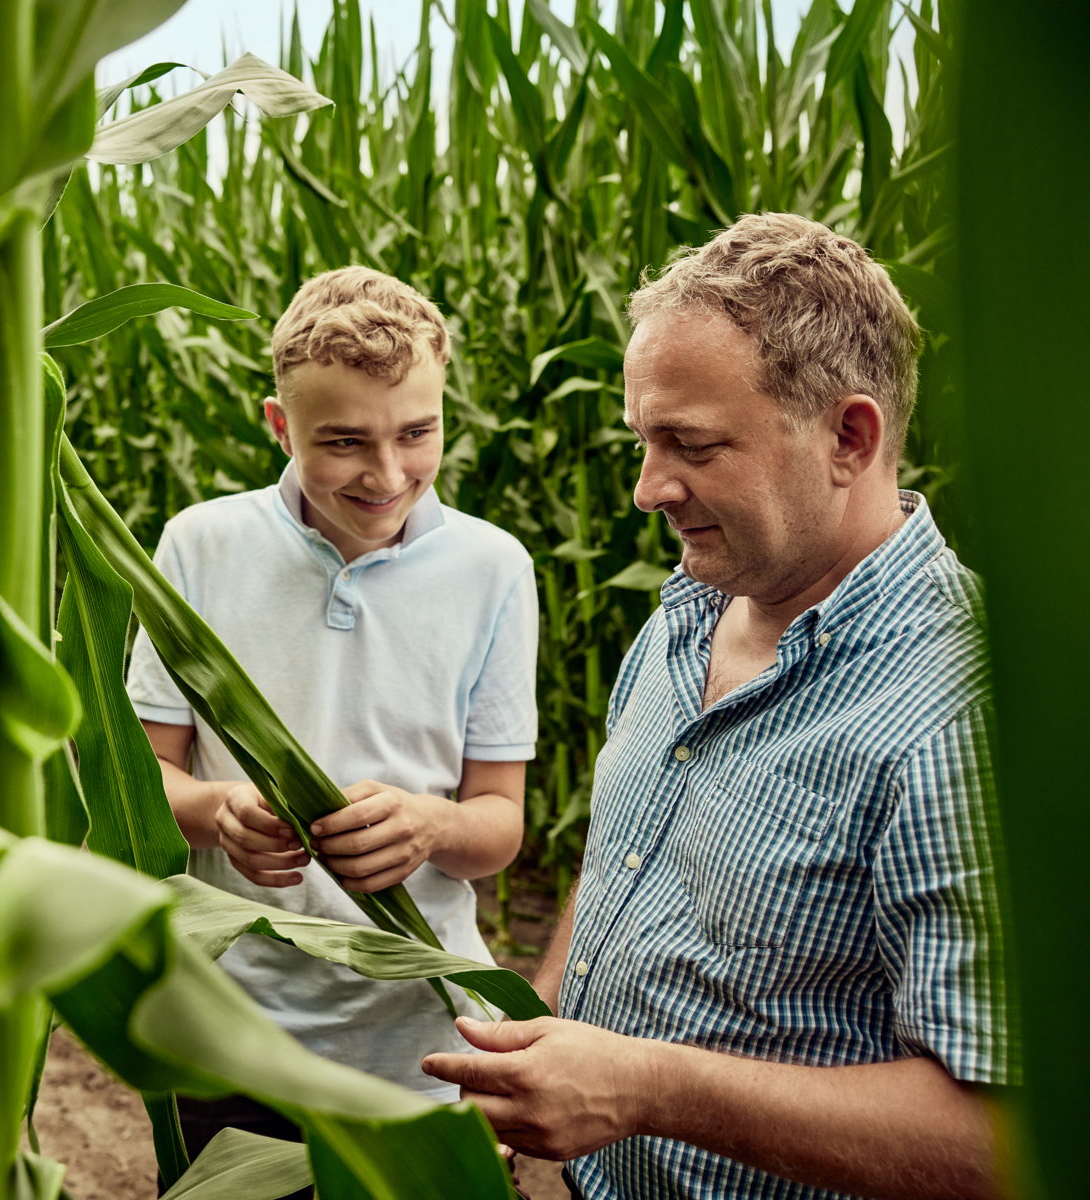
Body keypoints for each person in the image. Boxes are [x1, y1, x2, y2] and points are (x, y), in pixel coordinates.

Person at [423, 213, 1013, 1200]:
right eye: (642, 442)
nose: (649, 489)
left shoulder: (960, 717)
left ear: (847, 437)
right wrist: (537, 1042)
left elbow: (1000, 1142)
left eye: (688, 445)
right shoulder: (688, 611)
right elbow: (625, 856)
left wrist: (646, 1091)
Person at [125, 266, 540, 1182]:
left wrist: (431, 824)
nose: (386, 473)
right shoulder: (198, 547)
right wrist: (217, 810)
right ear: (278, 425)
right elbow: (145, 777)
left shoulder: (494, 570)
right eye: (343, 441)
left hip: (419, 1045)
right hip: (231, 1033)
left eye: (416, 433)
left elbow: (496, 825)